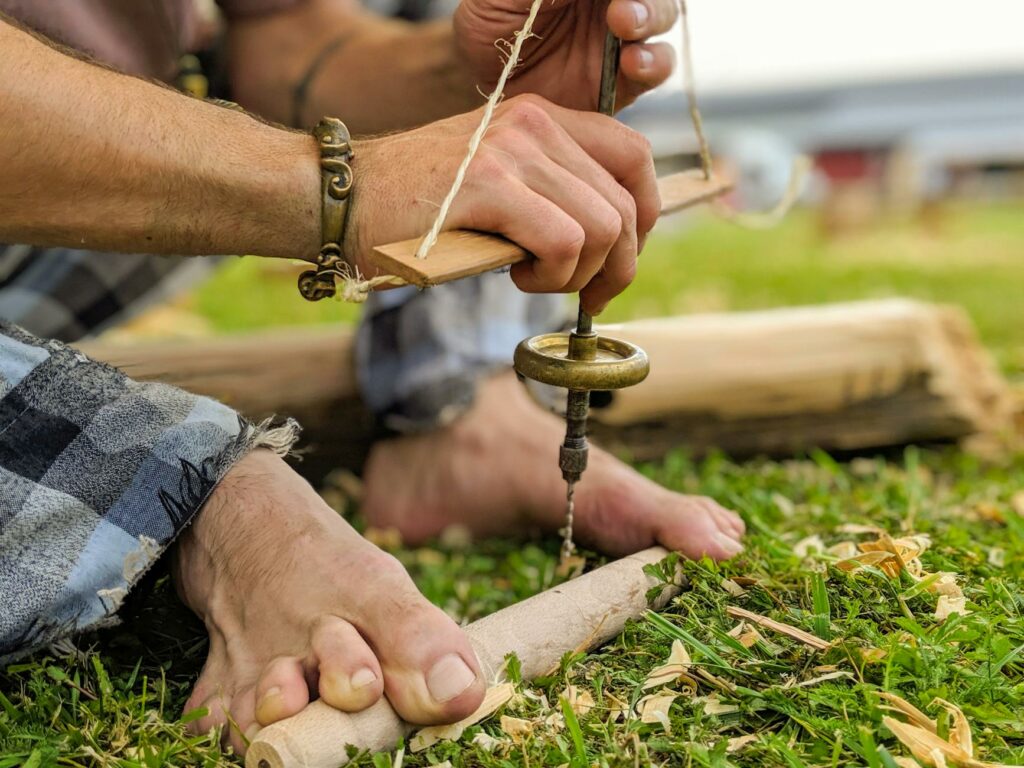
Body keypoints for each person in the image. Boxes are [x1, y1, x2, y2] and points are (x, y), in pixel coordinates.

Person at [0, 0, 744, 753]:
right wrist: (335, 187)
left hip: (109, 155)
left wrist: (457, 81)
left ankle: (456, 408)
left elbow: (276, 36)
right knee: (212, 501)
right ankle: (198, 503)